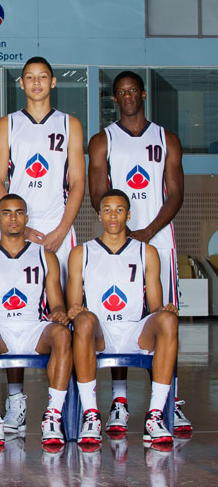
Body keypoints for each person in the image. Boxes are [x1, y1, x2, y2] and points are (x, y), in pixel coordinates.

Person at [87, 71, 190, 434]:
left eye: (133, 90)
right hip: (118, 240)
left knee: (165, 319)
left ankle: (169, 402)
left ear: (143, 94)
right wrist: (123, 232)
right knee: (118, 315)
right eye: (121, 93)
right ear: (114, 99)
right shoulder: (103, 140)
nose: (128, 96)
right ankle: (119, 400)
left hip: (158, 239)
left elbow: (175, 193)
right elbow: (98, 194)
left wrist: (147, 231)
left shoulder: (167, 139)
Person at [0, 56, 85, 433]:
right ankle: (16, 402)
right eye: (29, 78)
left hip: (59, 228)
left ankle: (64, 406)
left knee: (68, 315)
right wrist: (22, 229)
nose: (35, 83)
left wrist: (63, 228)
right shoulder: (8, 124)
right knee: (14, 310)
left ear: (53, 82)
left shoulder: (70, 124)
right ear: (21, 84)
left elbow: (77, 182)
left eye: (42, 77)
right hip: (20, 225)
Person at [68, 189, 178, 446]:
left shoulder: (146, 252)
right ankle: (91, 416)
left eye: (119, 210)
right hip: (99, 332)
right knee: (82, 320)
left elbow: (154, 306)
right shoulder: (81, 253)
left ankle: (155, 416)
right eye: (107, 210)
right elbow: (74, 305)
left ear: (128, 214)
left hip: (134, 332)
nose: (113, 215)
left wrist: (165, 311)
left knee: (168, 321)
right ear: (99, 215)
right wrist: (74, 310)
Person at [0, 194, 72, 447]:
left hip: (34, 327)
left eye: (18, 212)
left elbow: (56, 302)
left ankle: (53, 417)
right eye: (6, 213)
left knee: (63, 334)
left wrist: (58, 312)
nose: (13, 218)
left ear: (26, 218)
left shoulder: (45, 256)